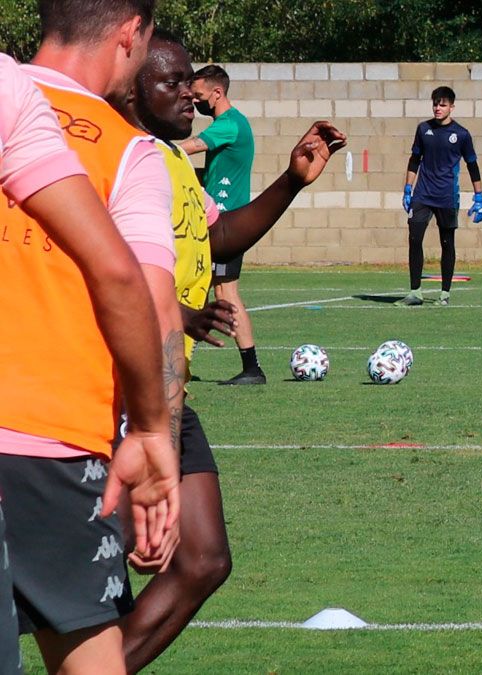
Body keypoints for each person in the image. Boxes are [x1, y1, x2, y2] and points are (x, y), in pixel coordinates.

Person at [118, 30, 346, 672]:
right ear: (133, 86)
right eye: (171, 83)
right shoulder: (124, 160)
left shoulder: (169, 162)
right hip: (118, 394)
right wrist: (176, 313)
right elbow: (106, 273)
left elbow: (217, 239)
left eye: (191, 81)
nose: (189, 93)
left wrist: (292, 182)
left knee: (204, 559)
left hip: (169, 389)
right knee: (84, 585)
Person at [0, 1, 185, 671]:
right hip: (58, 447)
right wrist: (155, 435)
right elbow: (148, 297)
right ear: (131, 34)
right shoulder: (126, 149)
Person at [179, 64, 263, 385]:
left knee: (226, 292)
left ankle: (252, 368)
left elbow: (190, 147)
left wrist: (153, 149)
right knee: (197, 290)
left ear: (217, 93)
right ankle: (177, 360)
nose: (196, 102)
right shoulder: (229, 124)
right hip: (216, 221)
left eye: (199, 96)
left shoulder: (229, 124)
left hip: (226, 224)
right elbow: (212, 174)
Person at [400, 86, 482, 307]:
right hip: (422, 194)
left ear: (452, 107)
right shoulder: (423, 129)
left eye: (443, 104)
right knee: (414, 238)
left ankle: (445, 293)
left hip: (447, 197)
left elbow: (472, 165)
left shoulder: (462, 134)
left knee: (447, 243)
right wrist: (408, 189)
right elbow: (414, 160)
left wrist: (479, 198)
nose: (438, 108)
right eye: (435, 104)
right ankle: (415, 292)